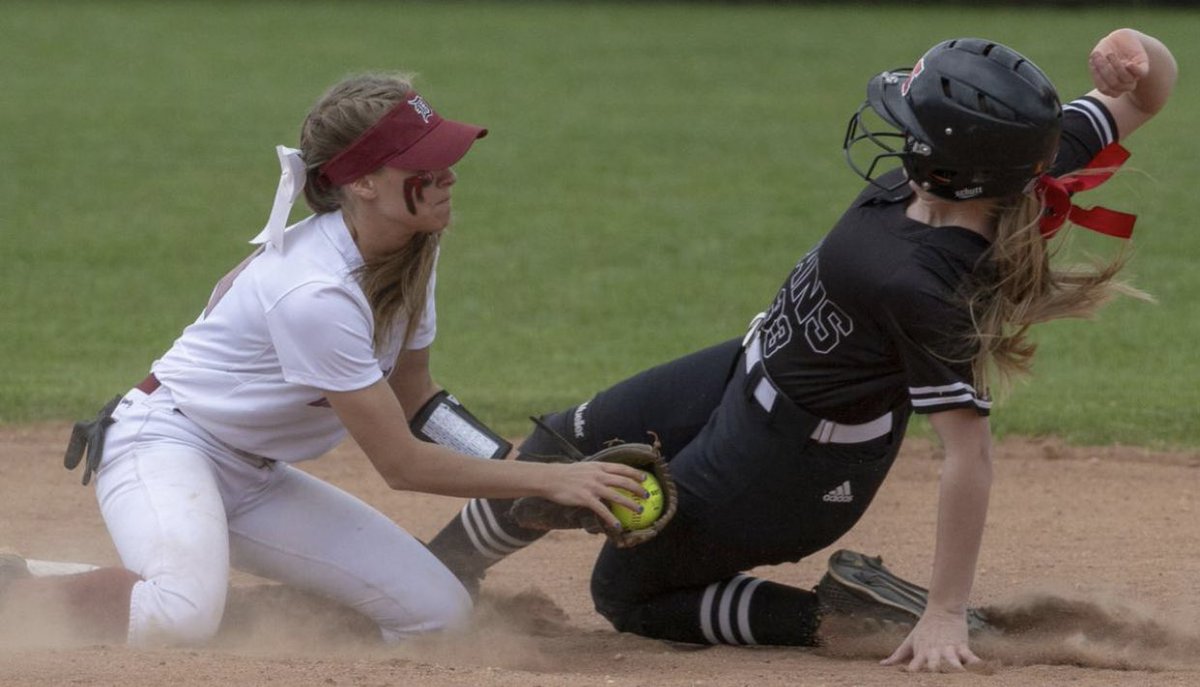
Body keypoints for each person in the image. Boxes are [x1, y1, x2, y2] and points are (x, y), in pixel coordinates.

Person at [423, 28, 1177, 672]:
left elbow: (968, 455)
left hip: (792, 464)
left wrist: (947, 610)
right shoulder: (1013, 159)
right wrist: (1137, 54)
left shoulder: (919, 281)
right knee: (564, 441)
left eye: (908, 120)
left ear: (947, 163)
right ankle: (433, 583)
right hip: (744, 366)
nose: (892, 124)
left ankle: (847, 616)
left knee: (625, 594)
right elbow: (1145, 97)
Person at [0, 73, 648, 646]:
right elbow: (400, 463)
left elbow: (418, 398)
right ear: (362, 182)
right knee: (181, 612)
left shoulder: (413, 250)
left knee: (440, 612)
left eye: (446, 155)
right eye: (425, 162)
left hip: (254, 476)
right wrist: (548, 480)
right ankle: (16, 591)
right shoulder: (315, 292)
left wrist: (517, 465)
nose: (448, 174)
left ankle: (279, 623)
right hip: (163, 444)